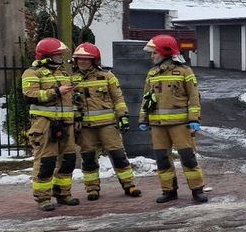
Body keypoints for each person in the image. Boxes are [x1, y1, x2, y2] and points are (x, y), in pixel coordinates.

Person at [137, 34, 207, 204]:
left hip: (180, 125)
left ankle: (197, 190)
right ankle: (168, 191)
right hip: (158, 125)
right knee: (162, 159)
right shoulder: (152, 73)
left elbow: (194, 97)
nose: (152, 56)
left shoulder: (184, 72)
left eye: (154, 53)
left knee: (188, 158)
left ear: (165, 52)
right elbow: (146, 98)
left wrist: (194, 119)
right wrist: (143, 119)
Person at [70, 42, 141, 200]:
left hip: (108, 126)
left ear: (94, 60)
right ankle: (92, 189)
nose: (82, 62)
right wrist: (74, 117)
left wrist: (123, 116)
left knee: (118, 156)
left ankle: (129, 185)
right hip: (85, 128)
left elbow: (118, 98)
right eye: (79, 59)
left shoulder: (107, 76)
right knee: (88, 159)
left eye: (86, 59)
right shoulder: (71, 80)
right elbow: (69, 103)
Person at [21, 37, 79, 211]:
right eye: (57, 55)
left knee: (69, 159)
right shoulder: (32, 73)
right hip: (44, 124)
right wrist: (56, 92)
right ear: (46, 56)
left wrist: (76, 117)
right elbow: (29, 95)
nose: (61, 57)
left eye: (61, 55)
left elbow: (70, 99)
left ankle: (63, 193)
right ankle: (43, 198)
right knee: (46, 161)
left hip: (65, 123)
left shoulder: (63, 73)